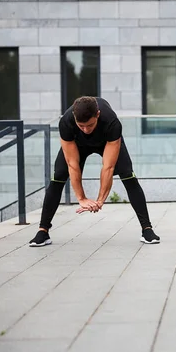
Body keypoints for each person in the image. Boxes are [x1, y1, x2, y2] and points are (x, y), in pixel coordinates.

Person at [29, 96, 160, 247]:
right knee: (58, 175)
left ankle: (147, 229)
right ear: (74, 118)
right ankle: (43, 231)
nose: (86, 130)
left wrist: (100, 200)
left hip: (107, 141)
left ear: (97, 114)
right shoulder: (66, 122)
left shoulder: (111, 122)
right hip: (78, 144)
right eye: (81, 126)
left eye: (90, 125)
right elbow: (73, 164)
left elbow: (108, 167)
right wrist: (82, 198)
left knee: (127, 174)